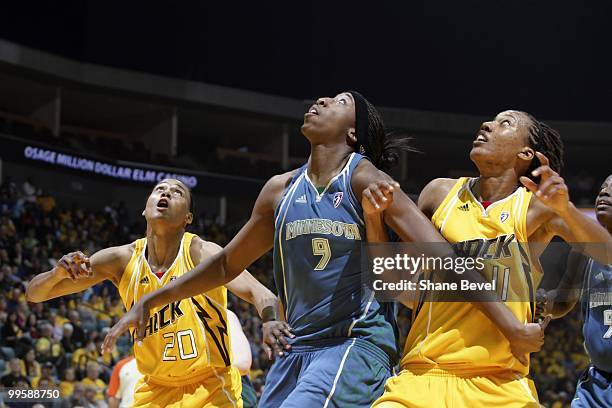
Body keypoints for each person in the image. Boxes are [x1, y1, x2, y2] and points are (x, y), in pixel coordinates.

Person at [105, 93, 543, 407]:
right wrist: (152, 299)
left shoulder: (365, 180)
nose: (319, 101)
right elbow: (225, 265)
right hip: (299, 349)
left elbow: (445, 259)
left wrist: (511, 325)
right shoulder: (278, 190)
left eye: (336, 102)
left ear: (352, 133)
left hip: (356, 343)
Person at [363, 110, 612, 407]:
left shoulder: (535, 209)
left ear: (526, 152)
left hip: (500, 385)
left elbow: (606, 253)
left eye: (504, 123)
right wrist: (374, 220)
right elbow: (399, 287)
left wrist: (565, 209)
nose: (486, 125)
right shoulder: (439, 194)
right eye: (491, 121)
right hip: (422, 376)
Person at [25, 178, 280, 408]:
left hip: (209, 386)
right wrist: (56, 274)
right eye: (160, 189)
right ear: (145, 208)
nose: (166, 194)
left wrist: (269, 319)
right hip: (154, 390)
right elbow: (35, 294)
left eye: (177, 192)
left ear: (187, 218)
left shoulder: (200, 252)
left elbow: (260, 292)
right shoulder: (121, 260)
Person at [536, 174, 612, 408]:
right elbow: (563, 301)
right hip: (597, 384)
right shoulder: (582, 250)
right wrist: (543, 303)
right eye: (602, 187)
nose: (604, 192)